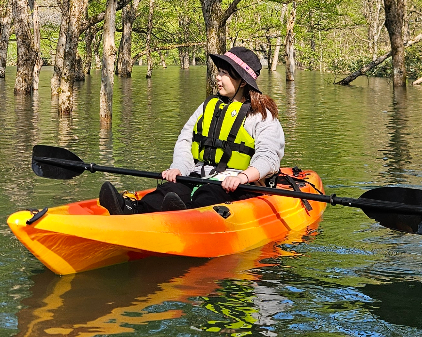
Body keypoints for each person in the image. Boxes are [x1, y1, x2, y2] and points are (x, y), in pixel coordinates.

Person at [99, 45, 285, 214]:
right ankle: (130, 209)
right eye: (218, 72)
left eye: (223, 73)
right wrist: (178, 168)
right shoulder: (209, 106)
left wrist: (244, 177)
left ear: (242, 82)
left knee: (208, 194)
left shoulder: (261, 114)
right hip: (200, 175)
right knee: (169, 189)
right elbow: (186, 140)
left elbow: (268, 156)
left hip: (236, 184)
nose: (217, 78)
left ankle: (183, 216)